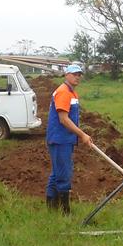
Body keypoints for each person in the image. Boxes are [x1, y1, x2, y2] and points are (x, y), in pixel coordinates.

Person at [45, 63, 93, 214]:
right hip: (60, 140)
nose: (77, 77)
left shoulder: (72, 93)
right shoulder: (64, 92)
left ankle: (52, 209)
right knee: (63, 175)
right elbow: (63, 119)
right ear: (67, 75)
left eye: (79, 74)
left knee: (57, 173)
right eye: (74, 74)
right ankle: (65, 212)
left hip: (65, 139)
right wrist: (82, 134)